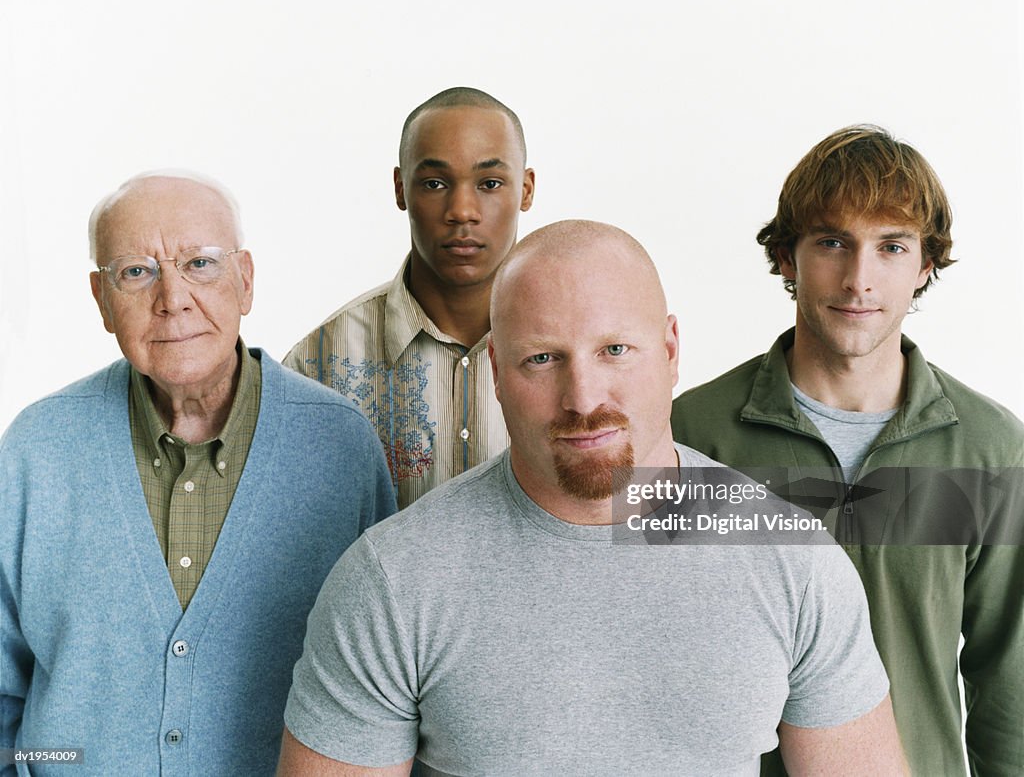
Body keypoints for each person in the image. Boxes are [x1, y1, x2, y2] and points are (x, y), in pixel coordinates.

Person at [277, 220, 906, 776]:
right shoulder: (393, 581)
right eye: (543, 359)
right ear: (496, 368)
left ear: (669, 350)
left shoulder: (790, 560)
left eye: (615, 351)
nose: (583, 398)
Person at [0, 172, 396, 775]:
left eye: (200, 265)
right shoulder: (37, 450)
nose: (173, 298)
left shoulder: (338, 446)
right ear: (101, 299)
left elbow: (387, 687)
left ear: (246, 280)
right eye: (136, 272)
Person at [671, 125, 1024, 775]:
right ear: (786, 256)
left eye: (891, 246)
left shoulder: (991, 447)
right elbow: (649, 652)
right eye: (833, 242)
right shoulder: (691, 432)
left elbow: (1011, 686)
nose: (859, 278)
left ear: (925, 265)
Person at [284, 86, 536, 509]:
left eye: (489, 183)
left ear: (526, 190)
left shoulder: (595, 352)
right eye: (435, 183)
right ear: (401, 189)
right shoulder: (318, 364)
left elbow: (660, 524)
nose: (461, 210)